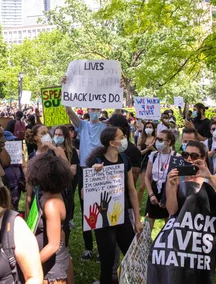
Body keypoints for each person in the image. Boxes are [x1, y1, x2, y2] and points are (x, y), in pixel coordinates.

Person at [157, 140, 216, 283]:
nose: (189, 159)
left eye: (194, 155)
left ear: (203, 158)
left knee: (200, 275)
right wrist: (171, 186)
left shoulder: (212, 179)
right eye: (185, 155)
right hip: (181, 235)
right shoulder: (177, 179)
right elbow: (172, 210)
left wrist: (209, 176)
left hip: (203, 236)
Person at [85, 127, 142, 284]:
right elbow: (84, 194)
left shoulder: (125, 160)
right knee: (107, 264)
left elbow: (132, 191)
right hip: (104, 222)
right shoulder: (95, 162)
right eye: (122, 136)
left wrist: (137, 219)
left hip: (122, 217)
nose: (125, 139)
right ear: (112, 142)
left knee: (132, 256)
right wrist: (94, 174)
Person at [64, 101, 106, 262]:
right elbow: (69, 111)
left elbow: (116, 112)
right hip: (84, 170)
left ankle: (102, 248)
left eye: (97, 109)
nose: (95, 111)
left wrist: (119, 90)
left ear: (101, 110)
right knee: (86, 211)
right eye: (92, 109)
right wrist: (66, 89)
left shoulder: (104, 127)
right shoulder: (82, 125)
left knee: (102, 208)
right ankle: (88, 248)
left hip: (100, 171)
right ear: (88, 110)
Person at [27, 152, 73, 283]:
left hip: (51, 269)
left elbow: (53, 245)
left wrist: (30, 264)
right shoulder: (44, 195)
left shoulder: (51, 204)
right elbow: (61, 233)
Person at [144, 130, 175, 229]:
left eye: (160, 139)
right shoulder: (153, 155)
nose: (157, 141)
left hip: (169, 190)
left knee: (169, 221)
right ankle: (148, 242)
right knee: (149, 221)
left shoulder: (175, 157)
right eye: (157, 139)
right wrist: (151, 194)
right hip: (154, 189)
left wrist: (167, 197)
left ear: (168, 142)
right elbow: (147, 177)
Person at [137, 121, 157, 204]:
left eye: (150, 127)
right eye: (147, 127)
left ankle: (152, 204)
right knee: (142, 187)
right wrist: (147, 149)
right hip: (144, 163)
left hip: (154, 163)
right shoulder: (141, 138)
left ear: (153, 129)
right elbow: (139, 153)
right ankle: (137, 205)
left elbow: (159, 152)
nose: (148, 129)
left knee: (152, 187)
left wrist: (153, 149)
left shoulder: (156, 139)